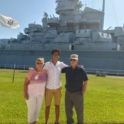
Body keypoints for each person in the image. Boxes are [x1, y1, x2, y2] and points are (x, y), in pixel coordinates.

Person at [61, 54, 88, 124]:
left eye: (74, 60)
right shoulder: (67, 69)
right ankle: (70, 122)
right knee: (68, 109)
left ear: (77, 61)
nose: (73, 61)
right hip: (68, 93)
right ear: (70, 60)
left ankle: (80, 122)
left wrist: (83, 91)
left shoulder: (81, 70)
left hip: (78, 93)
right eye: (71, 60)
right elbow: (57, 68)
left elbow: (86, 81)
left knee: (79, 110)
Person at [43, 49, 67, 124]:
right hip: (48, 88)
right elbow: (42, 72)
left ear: (59, 56)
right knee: (47, 106)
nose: (55, 56)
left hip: (58, 88)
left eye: (57, 54)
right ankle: (46, 121)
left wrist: (79, 67)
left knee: (57, 105)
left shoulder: (61, 64)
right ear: (52, 55)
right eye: (54, 54)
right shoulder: (47, 64)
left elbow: (70, 69)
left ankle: (57, 121)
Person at [24, 58, 47, 124]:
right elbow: (25, 83)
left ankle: (35, 122)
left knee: (37, 111)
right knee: (32, 111)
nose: (39, 64)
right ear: (35, 64)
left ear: (43, 64)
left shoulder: (45, 72)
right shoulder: (32, 72)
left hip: (40, 95)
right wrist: (25, 93)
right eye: (38, 63)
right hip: (31, 94)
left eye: (41, 63)